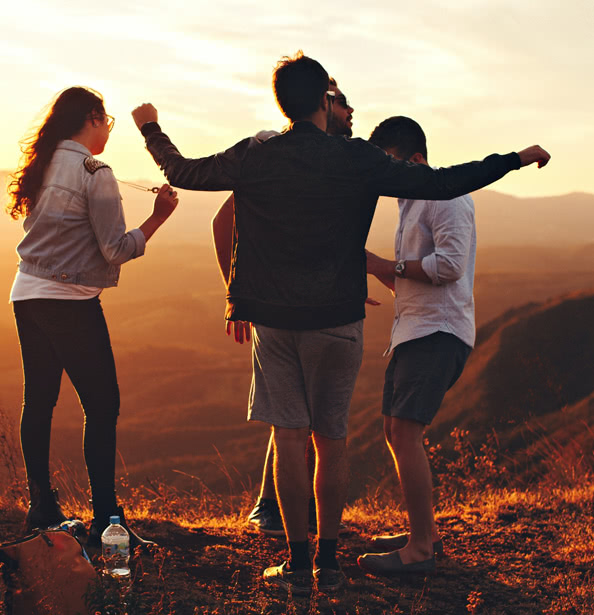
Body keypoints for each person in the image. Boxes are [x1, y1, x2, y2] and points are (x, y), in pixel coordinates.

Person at [130, 51, 549, 595]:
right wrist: (513, 158)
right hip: (339, 318)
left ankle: (298, 565)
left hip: (275, 320)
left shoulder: (256, 155)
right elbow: (443, 182)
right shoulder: (353, 158)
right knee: (333, 441)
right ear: (325, 102)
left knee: (289, 438)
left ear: (283, 102)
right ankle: (329, 562)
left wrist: (151, 129)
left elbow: (184, 171)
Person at [7, 86, 179, 549]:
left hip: (26, 293)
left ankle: (41, 507)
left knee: (39, 401)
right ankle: (107, 520)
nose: (108, 132)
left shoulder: (44, 163)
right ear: (92, 118)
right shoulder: (95, 172)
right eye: (107, 122)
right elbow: (116, 249)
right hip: (70, 300)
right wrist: (159, 216)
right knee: (103, 406)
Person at [211, 77, 355, 538]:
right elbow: (223, 220)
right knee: (292, 416)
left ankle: (287, 515)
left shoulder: (329, 161)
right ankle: (273, 509)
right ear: (321, 104)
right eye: (343, 103)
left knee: (299, 415)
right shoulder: (275, 151)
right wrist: (238, 295)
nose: (352, 114)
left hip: (313, 304)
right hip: (281, 308)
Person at [357, 116, 482, 573]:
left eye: (386, 163)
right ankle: (422, 532)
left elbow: (448, 266)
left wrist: (388, 263)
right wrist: (375, 269)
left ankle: (420, 552)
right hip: (414, 330)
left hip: (438, 332)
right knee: (395, 431)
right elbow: (415, 277)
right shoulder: (410, 203)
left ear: (413, 159)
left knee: (406, 432)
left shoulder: (445, 196)